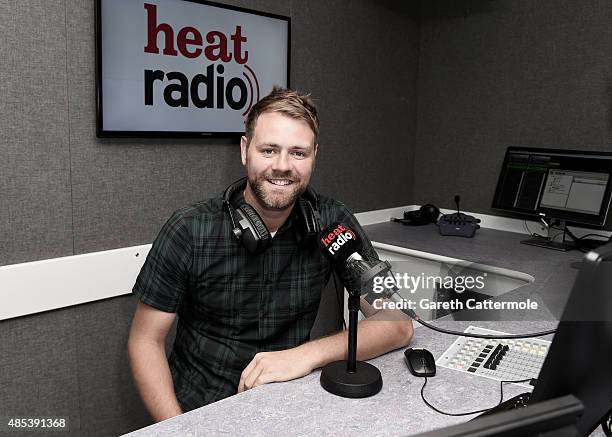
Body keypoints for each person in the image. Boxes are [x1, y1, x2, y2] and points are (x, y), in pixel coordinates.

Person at [127, 87, 413, 421]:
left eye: (298, 153)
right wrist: (179, 430)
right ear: (245, 150)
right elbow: (145, 341)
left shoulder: (332, 221)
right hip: (200, 411)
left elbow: (398, 324)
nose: (282, 166)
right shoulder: (189, 228)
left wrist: (304, 355)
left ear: (314, 156)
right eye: (269, 150)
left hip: (287, 408)